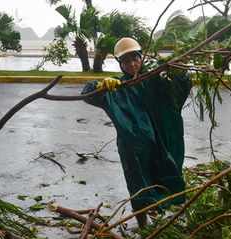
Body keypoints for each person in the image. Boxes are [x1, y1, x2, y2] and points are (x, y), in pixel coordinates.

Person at [81, 37, 191, 228]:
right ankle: (142, 224)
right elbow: (87, 94)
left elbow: (177, 91)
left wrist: (178, 70)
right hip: (132, 146)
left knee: (165, 173)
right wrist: (99, 85)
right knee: (137, 182)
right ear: (119, 63)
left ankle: (168, 214)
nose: (131, 64)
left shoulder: (155, 80)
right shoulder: (117, 88)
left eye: (135, 59)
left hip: (159, 141)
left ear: (141, 58)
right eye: (125, 61)